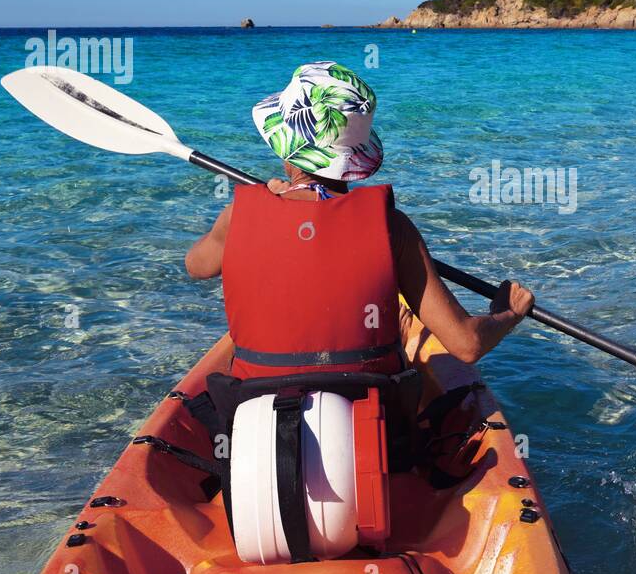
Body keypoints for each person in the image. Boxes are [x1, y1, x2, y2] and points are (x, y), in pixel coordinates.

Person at [184, 61, 533, 383]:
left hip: (256, 396)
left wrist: (258, 207)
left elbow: (196, 266)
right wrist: (507, 313)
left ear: (283, 144)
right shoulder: (392, 227)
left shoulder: (239, 214)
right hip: (375, 412)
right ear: (356, 154)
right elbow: (467, 344)